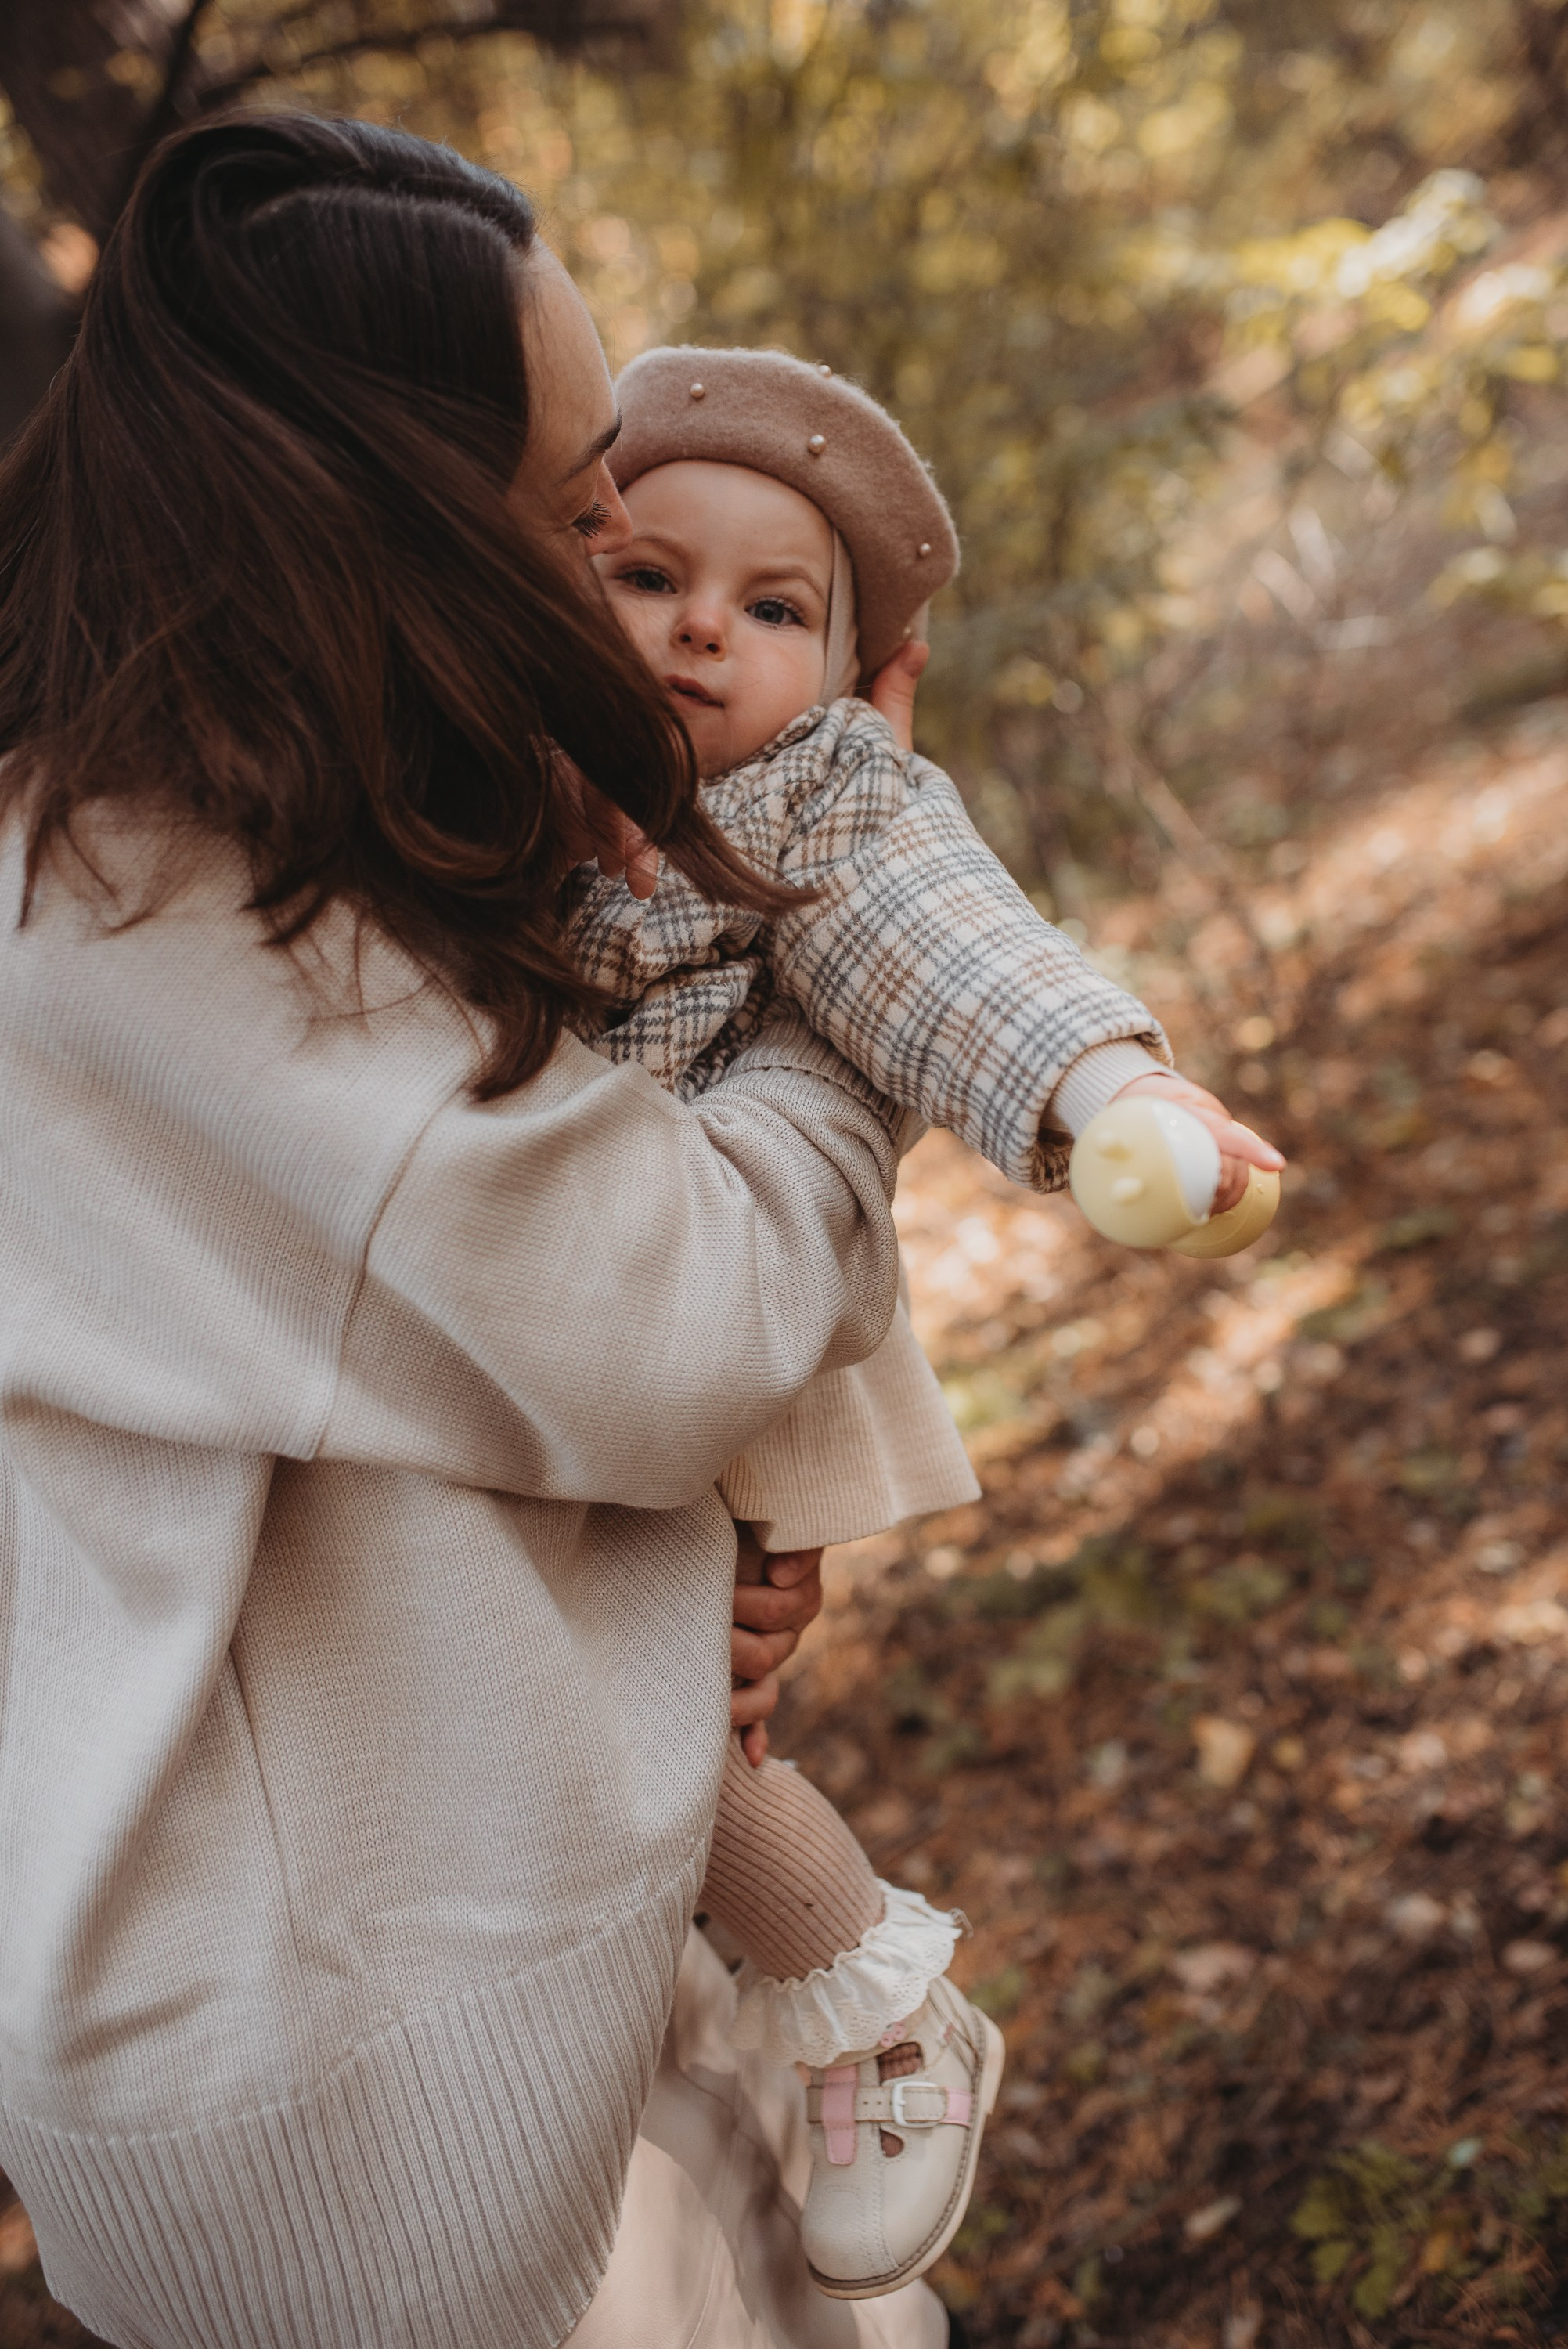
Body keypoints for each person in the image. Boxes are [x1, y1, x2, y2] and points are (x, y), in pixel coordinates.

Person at [0, 116, 944, 2349]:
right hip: (383, 2117)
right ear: (370, 511)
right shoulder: (162, 939)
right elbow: (688, 1310)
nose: (614, 553)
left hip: (472, 1984)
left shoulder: (193, 835)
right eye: (561, 508)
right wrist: (842, 956)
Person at [565, 345, 1286, 2300]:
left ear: (837, 674)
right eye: (645, 574)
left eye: (776, 608)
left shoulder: (817, 801)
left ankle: (868, 2004)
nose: (705, 627)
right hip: (520, 1348)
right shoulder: (460, 771)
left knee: (674, 1719)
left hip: (711, 1363)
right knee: (597, 1736)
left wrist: (1110, 1094)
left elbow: (947, 947)